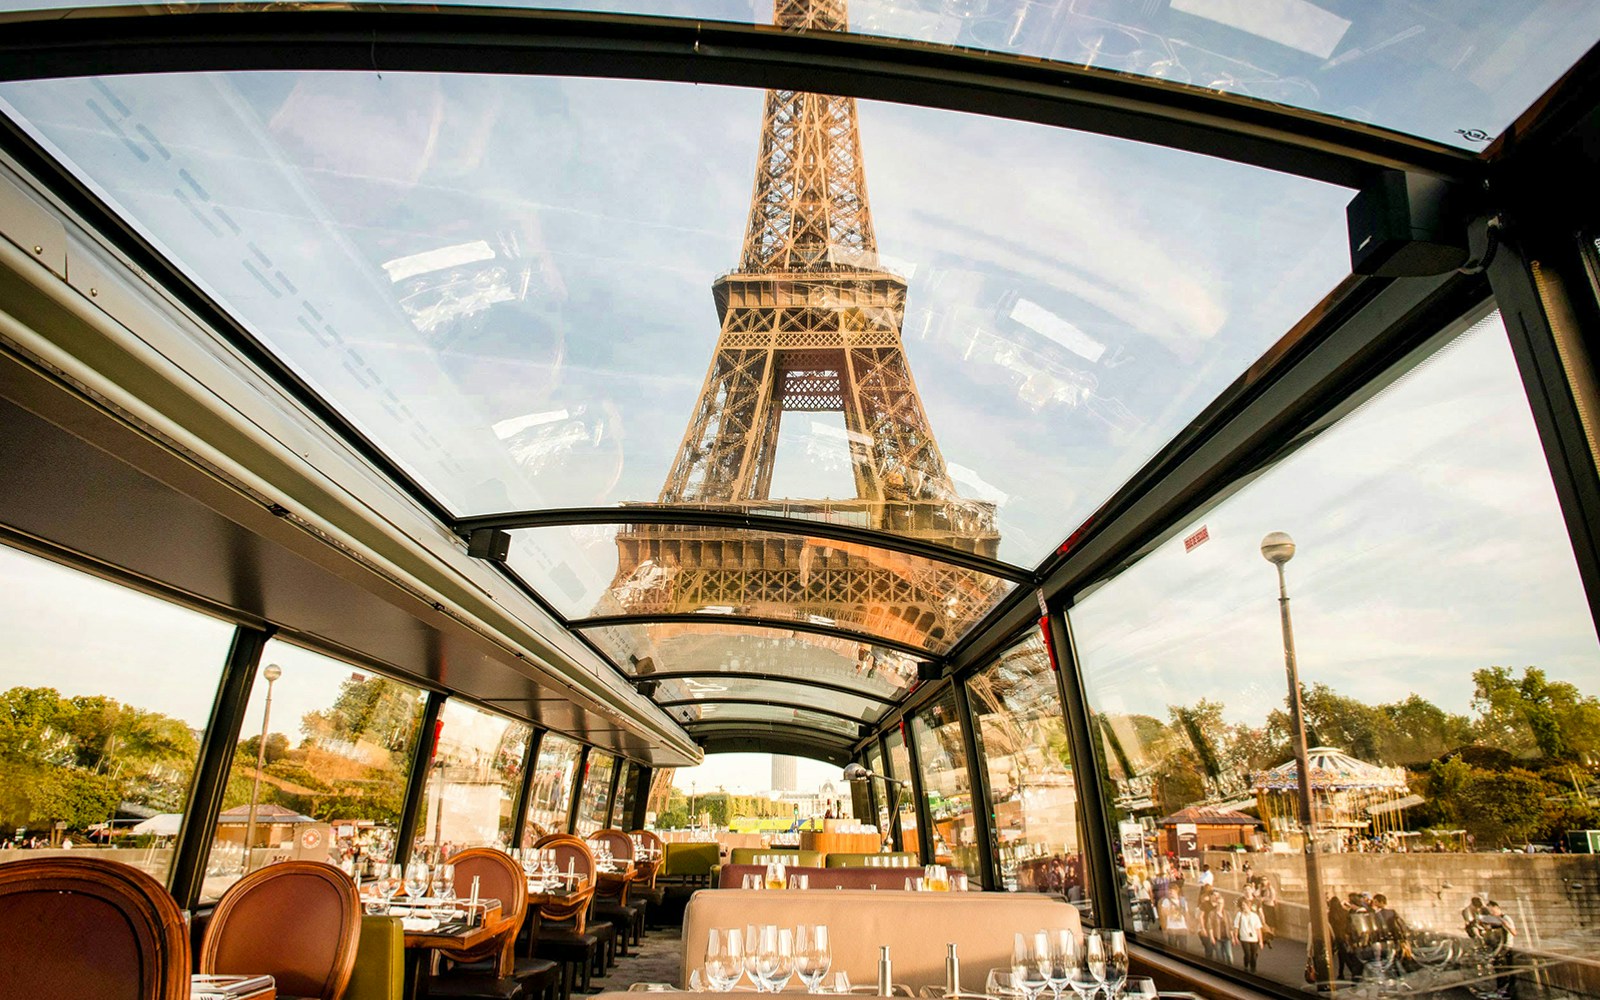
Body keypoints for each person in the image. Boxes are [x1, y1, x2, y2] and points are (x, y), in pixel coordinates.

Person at [1235, 897, 1265, 973]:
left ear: (1249, 906)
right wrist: (1235, 937)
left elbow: (1258, 929)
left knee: (1254, 955)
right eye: (1242, 906)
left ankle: (1253, 969)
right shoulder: (1240, 915)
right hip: (1244, 937)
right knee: (1247, 954)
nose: (1243, 907)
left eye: (1244, 905)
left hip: (1254, 938)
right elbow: (1236, 926)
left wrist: (1260, 941)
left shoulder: (1254, 916)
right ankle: (1246, 965)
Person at [1158, 883, 1191, 950]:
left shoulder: (1182, 901)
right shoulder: (1166, 901)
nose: (1170, 892)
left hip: (1182, 927)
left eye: (1171, 891)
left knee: (1183, 947)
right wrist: (1170, 911)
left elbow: (1186, 913)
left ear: (1176, 891)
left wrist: (1189, 925)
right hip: (1171, 927)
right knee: (1172, 947)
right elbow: (1163, 913)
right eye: (1169, 891)